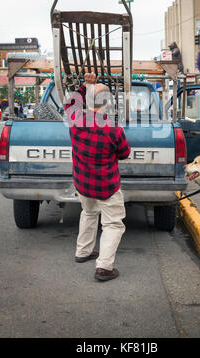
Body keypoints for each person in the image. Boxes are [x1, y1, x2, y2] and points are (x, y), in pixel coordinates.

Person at [65, 73, 131, 282]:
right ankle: (104, 267)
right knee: (113, 224)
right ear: (108, 103)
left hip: (83, 183)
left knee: (88, 212)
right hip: (106, 186)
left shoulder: (74, 119)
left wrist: (86, 86)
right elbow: (124, 153)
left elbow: (70, 103)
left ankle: (83, 252)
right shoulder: (113, 128)